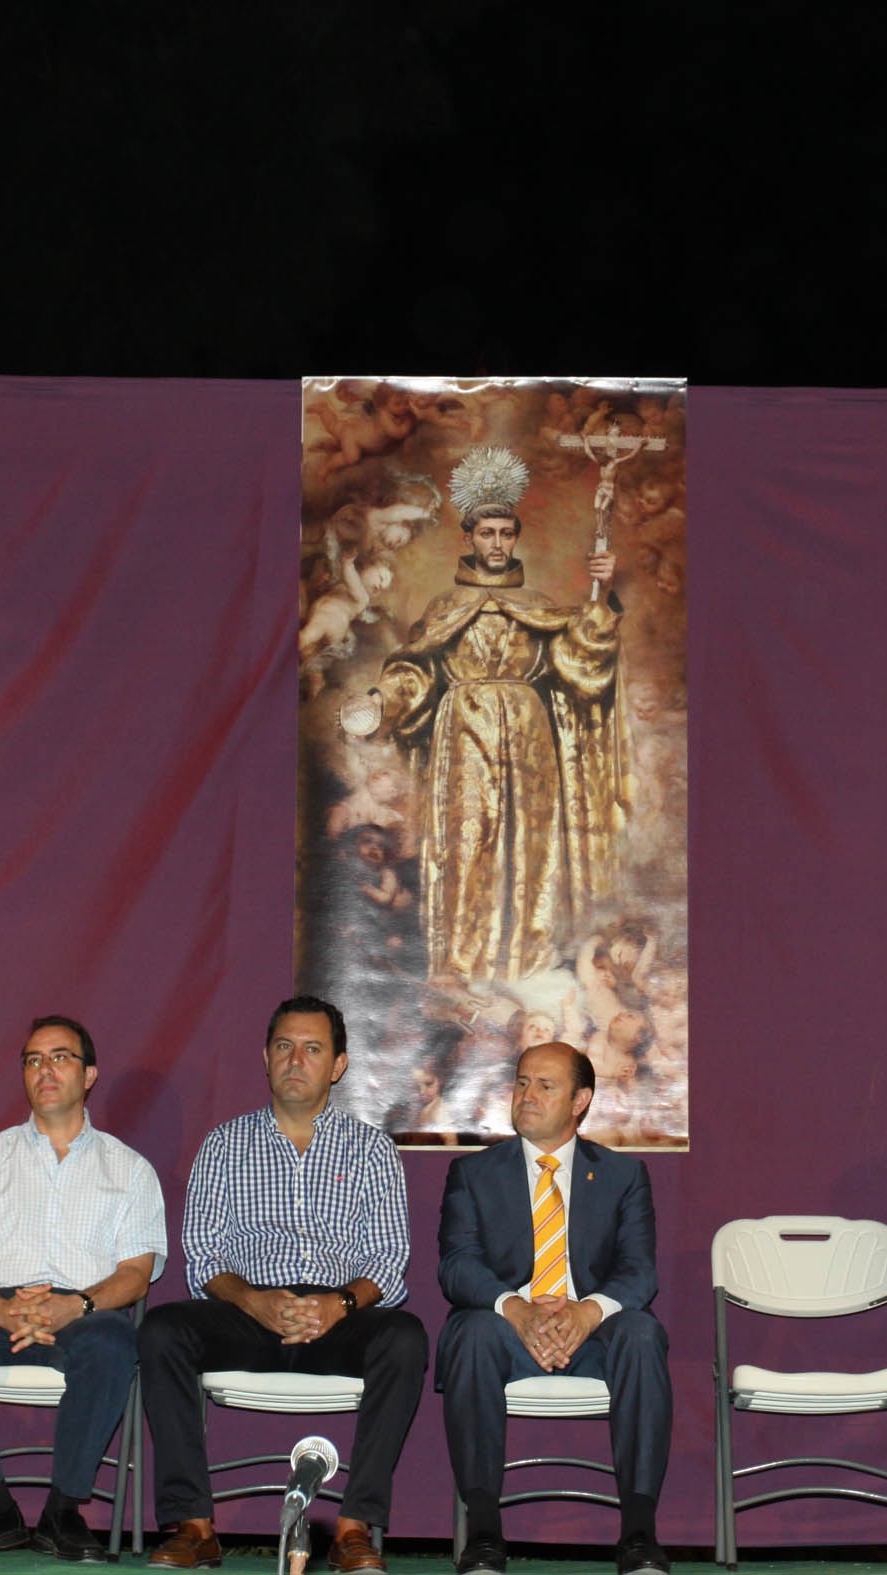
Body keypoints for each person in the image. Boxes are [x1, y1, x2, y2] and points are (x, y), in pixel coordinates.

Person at [138, 997, 425, 1574]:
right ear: (266, 1058)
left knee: (406, 1337)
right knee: (163, 1329)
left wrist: (338, 1303)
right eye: (284, 1047)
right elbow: (203, 1255)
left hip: (339, 1318)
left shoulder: (371, 1149)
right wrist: (253, 1300)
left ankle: (352, 1529)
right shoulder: (223, 1145)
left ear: (337, 1065)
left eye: (313, 1049)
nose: (296, 1060)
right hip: (248, 1311)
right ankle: (194, 1525)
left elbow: (390, 1260)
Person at [344, 451, 624, 985]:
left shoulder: (538, 605)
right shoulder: (446, 607)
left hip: (528, 733)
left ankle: (526, 962)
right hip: (464, 734)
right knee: (468, 842)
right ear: (468, 538)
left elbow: (581, 660)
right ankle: (464, 962)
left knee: (531, 846)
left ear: (515, 538)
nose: (497, 543)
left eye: (505, 533)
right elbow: (417, 670)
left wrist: (602, 597)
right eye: (487, 533)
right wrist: (382, 700)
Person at [0, 1015, 164, 1562]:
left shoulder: (130, 1169)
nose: (45, 1069)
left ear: (90, 1074)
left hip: (85, 1308)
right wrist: (0, 1310)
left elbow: (136, 1274)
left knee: (114, 1342)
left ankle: (63, 1510)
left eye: (61, 1057)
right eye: (33, 1060)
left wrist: (76, 1304)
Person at [436, 1042, 669, 1575]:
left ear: (580, 1100)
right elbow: (457, 1266)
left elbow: (639, 1271)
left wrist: (588, 1314)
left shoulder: (621, 1175)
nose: (528, 1095)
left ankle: (638, 1532)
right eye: (521, 1082)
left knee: (640, 1333)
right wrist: (516, 1309)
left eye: (545, 1085)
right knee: (472, 1332)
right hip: (504, 1333)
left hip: (594, 1336)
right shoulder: (474, 1174)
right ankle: (485, 1533)